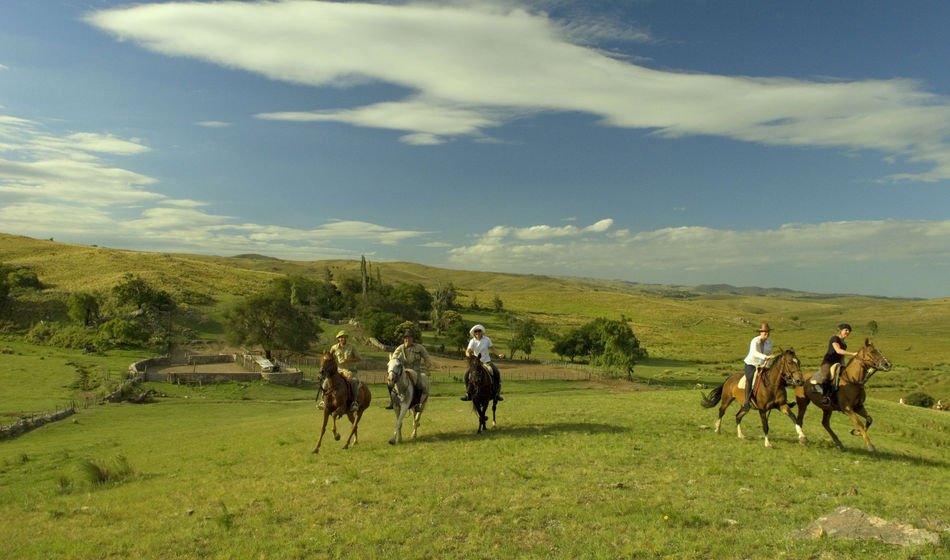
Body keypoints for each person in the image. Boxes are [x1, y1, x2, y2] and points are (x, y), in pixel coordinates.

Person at [810, 323, 858, 396]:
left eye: (849, 331)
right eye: (846, 330)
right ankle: (822, 394)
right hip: (828, 362)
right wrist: (852, 354)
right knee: (826, 375)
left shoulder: (844, 344)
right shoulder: (835, 338)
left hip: (838, 363)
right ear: (840, 330)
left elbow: (841, 356)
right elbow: (838, 350)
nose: (848, 332)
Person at [387, 331, 432, 409]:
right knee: (390, 383)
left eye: (409, 338)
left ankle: (418, 404)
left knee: (419, 385)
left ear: (412, 339)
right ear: (404, 340)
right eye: (406, 339)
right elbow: (394, 357)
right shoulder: (400, 348)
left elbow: (426, 356)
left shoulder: (419, 347)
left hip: (416, 371)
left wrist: (428, 368)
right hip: (404, 372)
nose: (407, 340)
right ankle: (392, 402)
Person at [461, 324, 504, 402]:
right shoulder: (472, 341)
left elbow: (492, 348)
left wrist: (499, 354)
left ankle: (497, 393)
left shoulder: (487, 339)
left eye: (479, 331)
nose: (477, 333)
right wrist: (469, 356)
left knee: (496, 372)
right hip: (477, 363)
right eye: (476, 331)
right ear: (474, 333)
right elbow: (467, 351)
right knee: (466, 375)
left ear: (482, 332)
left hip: (487, 361)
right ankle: (468, 393)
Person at [741, 322, 776, 411]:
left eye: (768, 332)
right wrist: (765, 357)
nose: (767, 334)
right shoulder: (755, 341)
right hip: (752, 364)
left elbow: (769, 353)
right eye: (765, 332)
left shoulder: (770, 342)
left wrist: (767, 364)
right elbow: (754, 353)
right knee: (750, 378)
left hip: (763, 365)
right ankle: (747, 401)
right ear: (760, 332)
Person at [330, 330, 362, 412]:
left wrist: (349, 360)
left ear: (346, 338)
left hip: (350, 371)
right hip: (339, 370)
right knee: (327, 381)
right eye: (340, 337)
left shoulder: (352, 346)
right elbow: (330, 358)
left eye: (344, 337)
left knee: (354, 381)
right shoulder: (334, 348)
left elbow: (359, 358)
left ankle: (354, 402)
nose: (342, 339)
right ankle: (323, 401)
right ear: (338, 339)